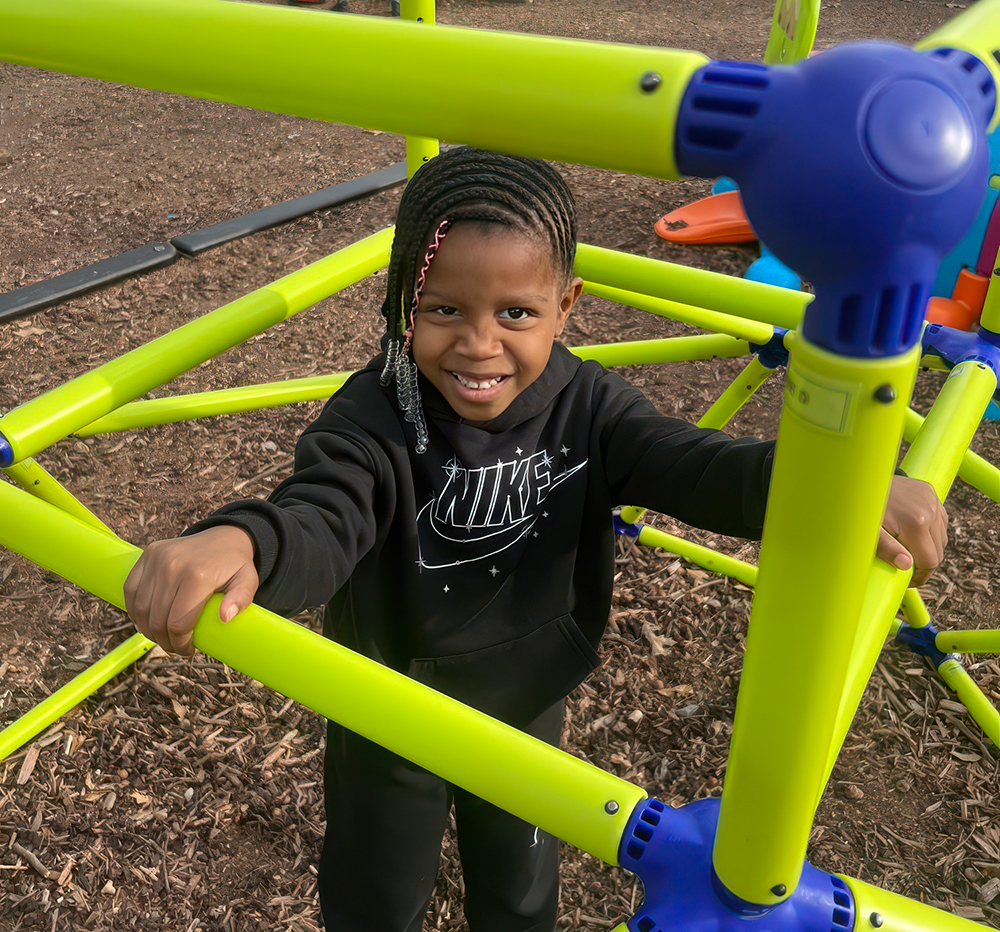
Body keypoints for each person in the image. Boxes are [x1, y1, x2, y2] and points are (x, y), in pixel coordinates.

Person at [125, 147, 947, 932]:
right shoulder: (374, 418)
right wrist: (247, 541)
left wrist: (828, 491)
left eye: (515, 313)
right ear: (402, 301)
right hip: (391, 702)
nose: (479, 345)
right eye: (444, 309)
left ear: (568, 305)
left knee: (519, 892)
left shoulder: (587, 404)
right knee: (377, 890)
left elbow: (691, 465)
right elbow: (322, 515)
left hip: (527, 695)